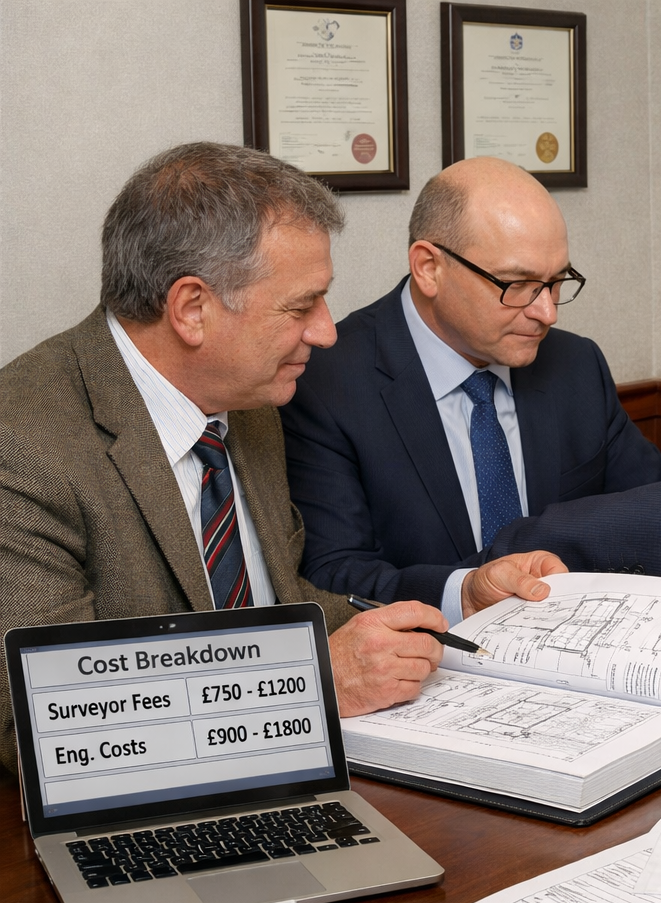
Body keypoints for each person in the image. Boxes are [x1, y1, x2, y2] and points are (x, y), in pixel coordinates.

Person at [0, 142, 564, 776]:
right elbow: (42, 727)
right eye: (301, 307)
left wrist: (436, 613)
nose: (326, 332)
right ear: (192, 308)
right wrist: (314, 683)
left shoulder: (250, 403)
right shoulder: (22, 445)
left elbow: (281, 600)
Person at [280, 157, 661, 626]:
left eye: (556, 283)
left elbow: (655, 495)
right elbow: (334, 575)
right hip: (425, 672)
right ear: (429, 267)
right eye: (518, 286)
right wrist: (466, 591)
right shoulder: (328, 378)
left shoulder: (574, 365)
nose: (545, 312)